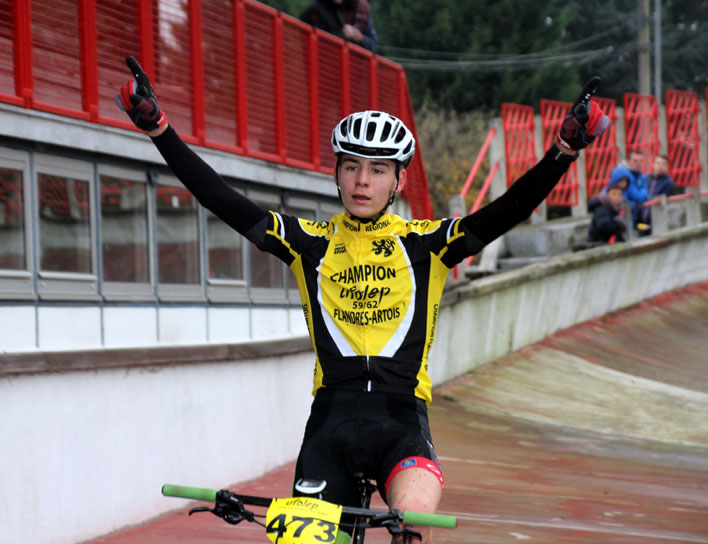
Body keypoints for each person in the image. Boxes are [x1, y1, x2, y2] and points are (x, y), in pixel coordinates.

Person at [116, 58, 609, 543]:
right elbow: (221, 199)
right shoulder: (308, 242)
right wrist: (161, 130)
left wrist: (563, 151)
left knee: (413, 524)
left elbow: (505, 212)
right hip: (331, 423)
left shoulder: (427, 244)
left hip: (401, 425)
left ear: (399, 181)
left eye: (377, 170)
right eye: (351, 167)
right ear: (336, 173)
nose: (362, 181)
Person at [639, 154, 674, 226]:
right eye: (658, 163)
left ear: (667, 167)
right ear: (653, 165)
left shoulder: (668, 182)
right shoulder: (647, 178)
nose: (660, 166)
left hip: (656, 221)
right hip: (641, 218)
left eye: (664, 164)